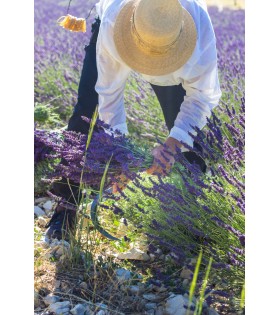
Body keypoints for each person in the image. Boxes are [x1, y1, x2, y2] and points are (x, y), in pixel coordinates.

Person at [45, 0, 221, 240]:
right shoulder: (113, 22)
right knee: (85, 115)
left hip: (175, 47)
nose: (150, 65)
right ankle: (65, 208)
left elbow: (202, 98)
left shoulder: (198, 30)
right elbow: (108, 96)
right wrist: (121, 155)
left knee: (191, 141)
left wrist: (172, 143)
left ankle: (191, 220)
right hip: (120, 31)